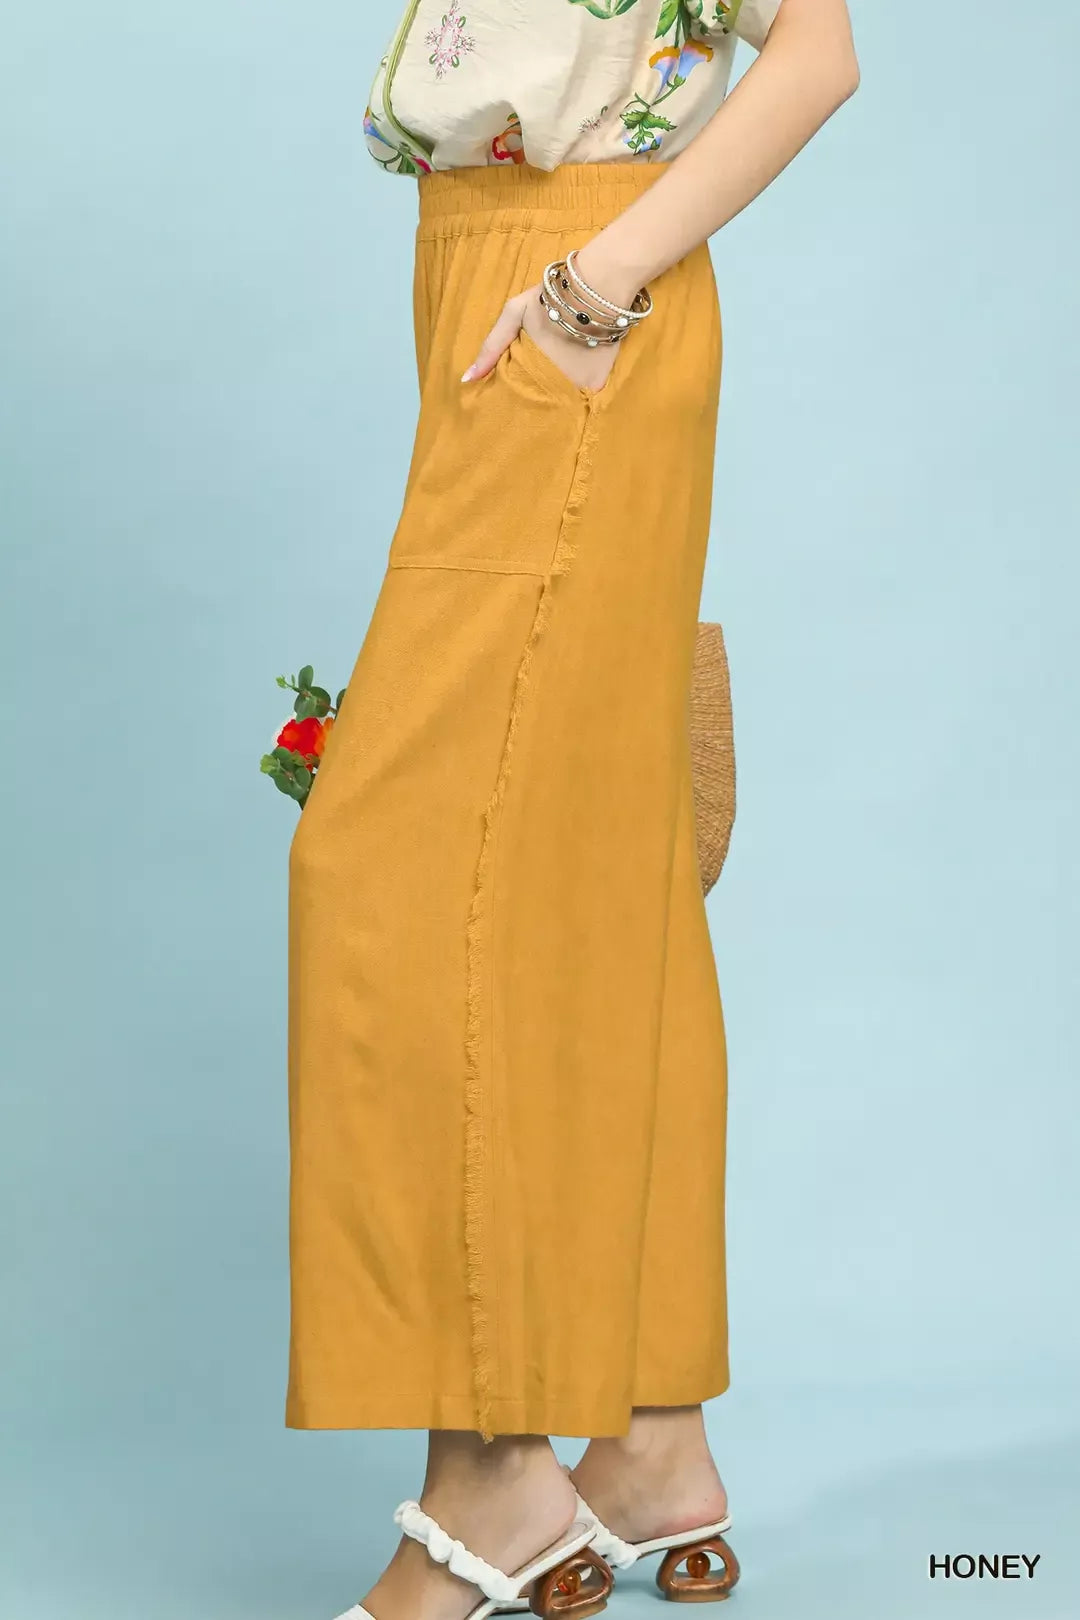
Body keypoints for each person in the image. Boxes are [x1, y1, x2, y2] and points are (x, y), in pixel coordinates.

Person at [286, 3, 859, 1617]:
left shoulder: (587, 282)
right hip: (487, 277)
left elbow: (816, 49)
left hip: (577, 285)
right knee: (597, 866)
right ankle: (654, 1433)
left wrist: (593, 282)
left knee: (391, 870)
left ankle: (491, 1465)